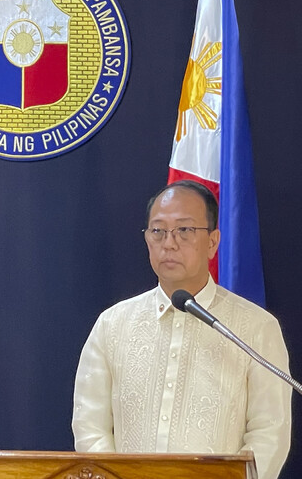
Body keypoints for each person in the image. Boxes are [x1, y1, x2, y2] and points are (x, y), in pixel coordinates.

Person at [72, 180, 291, 479]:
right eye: (158, 231)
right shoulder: (113, 324)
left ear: (213, 242)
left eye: (185, 230)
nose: (169, 243)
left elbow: (269, 432)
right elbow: (90, 426)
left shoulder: (256, 328)